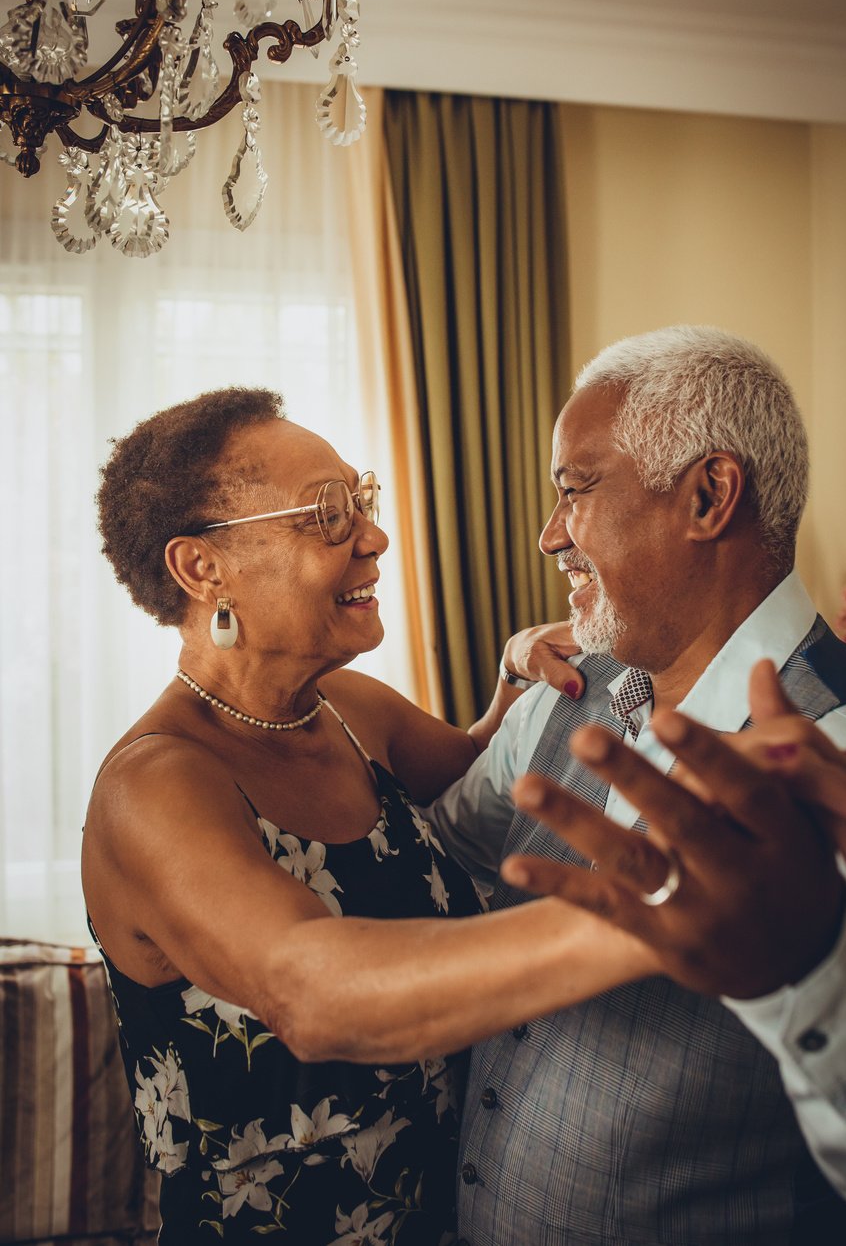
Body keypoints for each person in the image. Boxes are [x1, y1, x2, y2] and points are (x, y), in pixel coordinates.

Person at [83, 387, 666, 1245]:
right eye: (325, 512)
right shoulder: (156, 786)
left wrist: (513, 677)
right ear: (202, 568)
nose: (374, 535)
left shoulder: (350, 708)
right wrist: (655, 921)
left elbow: (490, 795)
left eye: (360, 498)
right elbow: (308, 987)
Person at [426, 326, 846, 1246]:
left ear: (708, 495)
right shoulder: (563, 700)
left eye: (574, 490)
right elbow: (442, 850)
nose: (550, 536)